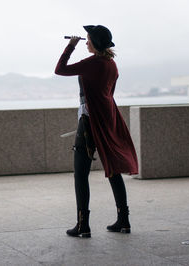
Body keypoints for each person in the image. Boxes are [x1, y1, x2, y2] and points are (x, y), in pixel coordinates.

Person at [55, 25, 139, 238]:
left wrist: (69, 47)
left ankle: (83, 225)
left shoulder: (91, 63)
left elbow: (60, 69)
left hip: (89, 121)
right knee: (113, 170)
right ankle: (124, 220)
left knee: (80, 174)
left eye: (88, 39)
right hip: (108, 119)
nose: (85, 41)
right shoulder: (112, 65)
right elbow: (109, 93)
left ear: (95, 43)